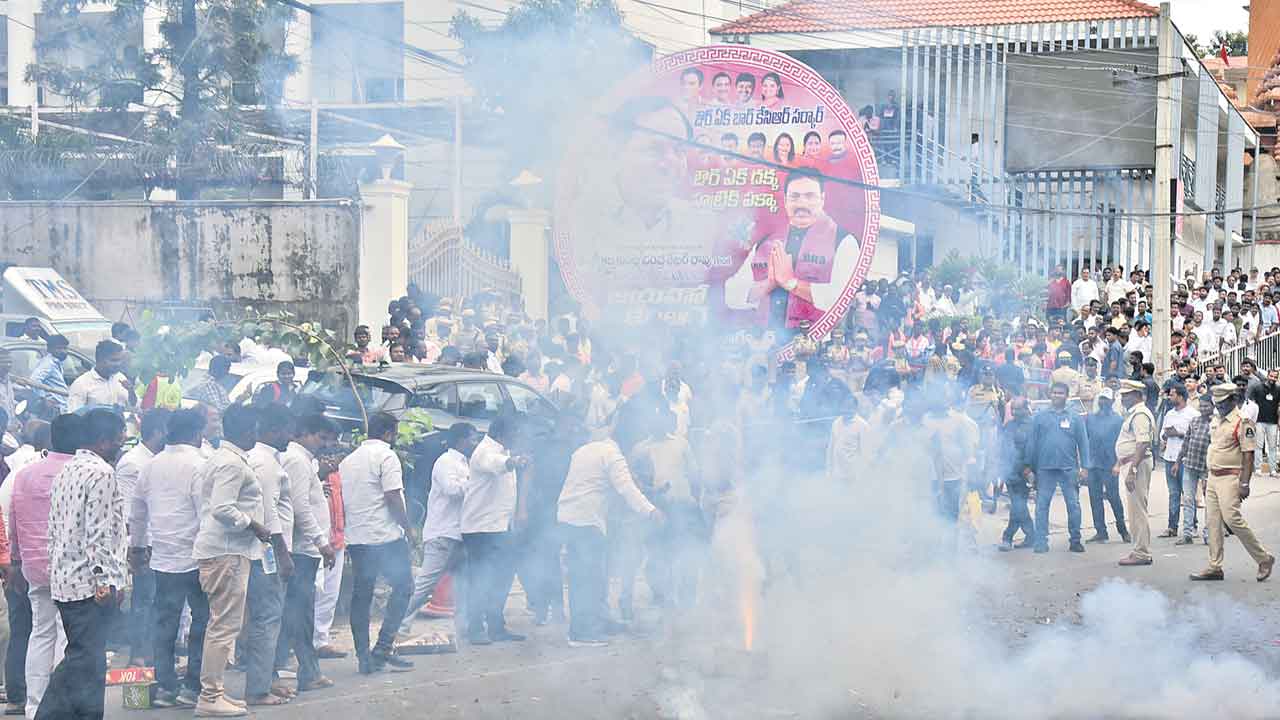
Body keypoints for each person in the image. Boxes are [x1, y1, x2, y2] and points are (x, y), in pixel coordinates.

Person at [36, 409, 128, 720]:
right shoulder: (101, 473)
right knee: (85, 660)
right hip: (89, 584)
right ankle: (49, 715)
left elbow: (55, 526)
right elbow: (98, 534)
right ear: (103, 441)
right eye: (119, 440)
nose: (121, 445)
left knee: (85, 659)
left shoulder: (68, 469)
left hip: (66, 578)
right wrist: (105, 582)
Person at [192, 404, 272, 717]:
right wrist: (255, 525)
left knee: (223, 626)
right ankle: (210, 696)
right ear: (244, 430)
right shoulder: (230, 463)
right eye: (254, 428)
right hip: (226, 552)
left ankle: (215, 693)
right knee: (223, 627)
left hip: (226, 551)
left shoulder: (225, 459)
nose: (256, 433)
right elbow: (223, 509)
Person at [129, 408, 210, 708]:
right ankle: (192, 685)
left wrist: (137, 547)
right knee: (202, 621)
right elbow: (206, 513)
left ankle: (165, 686)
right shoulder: (200, 465)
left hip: (163, 557)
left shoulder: (152, 465)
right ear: (195, 434)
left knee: (164, 623)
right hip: (196, 557)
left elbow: (137, 511)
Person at [558, 425, 661, 647]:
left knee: (591, 576)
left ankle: (600, 621)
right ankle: (582, 633)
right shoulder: (613, 456)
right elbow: (627, 489)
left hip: (571, 517)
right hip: (586, 521)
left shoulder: (585, 449)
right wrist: (651, 511)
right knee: (587, 579)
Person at [724, 169, 862, 333]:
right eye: (794, 197)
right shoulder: (766, 242)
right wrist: (768, 284)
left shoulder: (844, 242)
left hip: (816, 345)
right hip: (763, 344)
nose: (802, 204)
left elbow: (841, 299)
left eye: (810, 196)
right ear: (785, 200)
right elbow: (732, 295)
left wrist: (792, 283)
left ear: (822, 199)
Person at [8, 414, 79, 719]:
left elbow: (12, 519)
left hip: (34, 566)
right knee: (67, 636)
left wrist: (14, 561)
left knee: (41, 632)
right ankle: (61, 705)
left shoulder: (24, 474)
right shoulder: (80, 472)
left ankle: (35, 706)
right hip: (71, 569)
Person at [339, 411, 414, 673]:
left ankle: (364, 657)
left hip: (358, 538)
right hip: (385, 538)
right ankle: (382, 647)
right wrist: (409, 529)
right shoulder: (386, 456)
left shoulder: (347, 461)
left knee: (362, 596)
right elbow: (393, 497)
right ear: (387, 433)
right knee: (404, 587)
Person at [399, 423, 479, 638]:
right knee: (425, 583)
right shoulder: (446, 462)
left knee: (463, 583)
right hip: (443, 532)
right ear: (461, 440)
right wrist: (476, 482)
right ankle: (398, 625)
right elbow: (452, 490)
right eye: (472, 438)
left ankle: (464, 628)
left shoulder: (465, 463)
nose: (475, 443)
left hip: (460, 533)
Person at [1190, 383, 1276, 582]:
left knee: (1232, 520)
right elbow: (1214, 448)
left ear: (1233, 400)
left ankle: (1263, 558)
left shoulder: (1243, 422)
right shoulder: (1217, 420)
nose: (1218, 407)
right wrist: (1206, 477)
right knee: (1212, 522)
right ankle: (1214, 566)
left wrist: (1244, 484)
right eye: (1216, 403)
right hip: (1212, 476)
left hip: (1230, 477)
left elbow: (1248, 455)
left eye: (1222, 403)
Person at [277, 414, 338, 693]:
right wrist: (321, 542)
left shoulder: (303, 461)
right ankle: (307, 672)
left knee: (297, 614)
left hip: (306, 549)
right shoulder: (297, 460)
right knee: (300, 615)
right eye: (321, 437)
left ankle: (282, 670)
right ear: (305, 433)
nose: (323, 445)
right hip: (303, 549)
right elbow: (299, 507)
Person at [461, 415, 529, 645]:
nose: (519, 437)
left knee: (501, 577)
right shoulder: (485, 451)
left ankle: (496, 626)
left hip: (498, 528)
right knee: (480, 579)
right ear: (502, 433)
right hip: (481, 529)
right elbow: (496, 464)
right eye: (516, 432)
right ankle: (475, 629)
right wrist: (513, 463)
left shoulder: (503, 450)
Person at [243, 405, 295, 706]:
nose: (291, 436)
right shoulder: (265, 464)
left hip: (266, 551)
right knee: (267, 617)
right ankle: (258, 688)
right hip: (267, 554)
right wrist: (282, 553)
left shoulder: (267, 460)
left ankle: (266, 681)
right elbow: (267, 512)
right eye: (288, 430)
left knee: (267, 618)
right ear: (276, 430)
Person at [116, 408, 169, 668]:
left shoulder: (159, 460)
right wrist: (138, 547)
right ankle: (138, 655)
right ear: (159, 432)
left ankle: (152, 654)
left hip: (161, 542)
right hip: (143, 544)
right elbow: (128, 511)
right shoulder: (133, 462)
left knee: (156, 602)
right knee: (144, 601)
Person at [1024, 382, 1091, 553]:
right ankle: (1041, 541)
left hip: (1068, 469)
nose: (1057, 395)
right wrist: (1028, 466)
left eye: (1060, 393)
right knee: (1041, 505)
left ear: (1067, 396)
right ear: (1049, 394)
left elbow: (1083, 444)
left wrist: (1085, 467)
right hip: (1045, 469)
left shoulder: (1075, 418)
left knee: (1073, 505)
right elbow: (1031, 442)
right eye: (1054, 392)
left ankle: (1075, 540)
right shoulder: (1039, 417)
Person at [1115, 380, 1156, 567]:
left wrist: (1132, 469)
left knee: (1137, 509)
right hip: (1132, 463)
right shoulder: (1134, 413)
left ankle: (1141, 552)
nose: (1123, 398)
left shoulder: (1140, 414)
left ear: (1137, 395)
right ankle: (1139, 549)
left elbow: (1142, 443)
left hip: (1136, 464)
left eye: (1126, 395)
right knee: (1135, 508)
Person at [1082, 389, 1128, 544]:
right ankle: (1100, 531)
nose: (1103, 402)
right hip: (1093, 464)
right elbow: (1084, 441)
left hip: (1109, 465)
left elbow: (1122, 443)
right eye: (1101, 399)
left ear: (1112, 402)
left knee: (1114, 498)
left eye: (1107, 399)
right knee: (1095, 499)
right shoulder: (1090, 419)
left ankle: (1123, 530)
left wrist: (1118, 463)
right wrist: (1084, 465)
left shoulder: (1118, 420)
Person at [1176, 395, 1214, 545]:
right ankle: (1187, 534)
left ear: (1212, 406)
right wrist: (1177, 462)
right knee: (1187, 500)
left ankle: (1208, 535)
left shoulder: (1215, 424)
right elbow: (1185, 443)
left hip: (1207, 468)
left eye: (1207, 406)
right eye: (1202, 406)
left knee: (1210, 502)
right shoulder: (1195, 421)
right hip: (1190, 465)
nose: (1204, 408)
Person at [1158, 385, 1196, 539]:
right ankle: (1172, 527)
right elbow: (1162, 434)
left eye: (1172, 394)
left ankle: (1192, 525)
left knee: (1187, 494)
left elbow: (1196, 436)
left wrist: (1179, 434)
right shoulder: (1169, 414)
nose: (1169, 397)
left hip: (1185, 459)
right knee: (1173, 493)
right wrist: (1166, 436)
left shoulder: (1193, 414)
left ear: (1181, 396)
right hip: (1169, 457)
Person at [997, 397, 1035, 551]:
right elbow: (1002, 449)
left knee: (1018, 505)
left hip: (1023, 472)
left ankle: (1008, 536)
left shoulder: (1033, 426)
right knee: (1018, 505)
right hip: (1009, 471)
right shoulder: (1009, 425)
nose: (1015, 412)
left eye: (1018, 409)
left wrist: (1030, 468)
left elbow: (1034, 449)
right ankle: (1031, 535)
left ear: (1026, 409)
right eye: (1013, 409)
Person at [66, 339, 132, 412]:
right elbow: (74, 416)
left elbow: (133, 406)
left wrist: (131, 391)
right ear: (100, 359)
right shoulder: (81, 384)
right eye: (114, 360)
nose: (118, 364)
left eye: (120, 360)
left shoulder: (120, 377)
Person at [1249, 367, 1280, 477]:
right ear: (1267, 375)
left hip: (1273, 421)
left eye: (1275, 377)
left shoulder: (1278, 389)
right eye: (1271, 376)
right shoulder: (1257, 387)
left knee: (1272, 446)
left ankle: (1272, 470)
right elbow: (1251, 403)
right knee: (1258, 445)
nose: (1273, 378)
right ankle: (1257, 468)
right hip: (1259, 420)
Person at [30, 337, 71, 414]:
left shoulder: (56, 362)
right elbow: (33, 381)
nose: (63, 351)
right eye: (59, 348)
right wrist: (43, 398)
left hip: (62, 407)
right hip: (54, 409)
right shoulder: (48, 364)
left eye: (65, 348)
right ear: (50, 349)